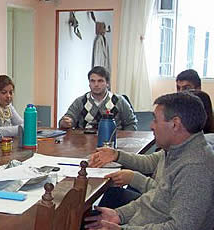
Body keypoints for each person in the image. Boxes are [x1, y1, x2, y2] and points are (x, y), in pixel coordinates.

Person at [85, 92, 214, 229]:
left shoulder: (195, 167)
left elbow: (180, 227)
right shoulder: (175, 150)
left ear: (175, 124)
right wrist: (119, 215)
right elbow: (155, 198)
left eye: (155, 120)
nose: (151, 126)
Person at [59, 66, 137, 130]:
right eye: (92, 81)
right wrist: (65, 122)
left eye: (100, 81)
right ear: (89, 83)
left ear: (107, 84)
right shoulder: (80, 101)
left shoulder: (119, 101)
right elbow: (68, 118)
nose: (96, 84)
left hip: (112, 143)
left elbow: (131, 124)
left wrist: (123, 141)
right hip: (84, 143)